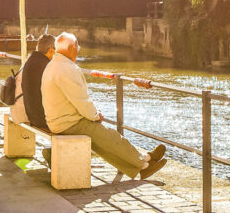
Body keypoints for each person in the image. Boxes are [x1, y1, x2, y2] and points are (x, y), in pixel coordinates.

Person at [41, 32, 167, 180]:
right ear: (70, 48)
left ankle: (145, 161)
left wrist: (92, 115)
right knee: (110, 137)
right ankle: (145, 164)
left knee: (102, 141)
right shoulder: (67, 69)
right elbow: (81, 101)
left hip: (58, 120)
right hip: (68, 123)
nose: (78, 50)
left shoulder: (52, 66)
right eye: (77, 47)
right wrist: (95, 116)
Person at [20, 34, 56, 129]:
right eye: (57, 51)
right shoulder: (46, 66)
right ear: (51, 50)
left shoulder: (30, 61)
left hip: (32, 117)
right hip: (43, 120)